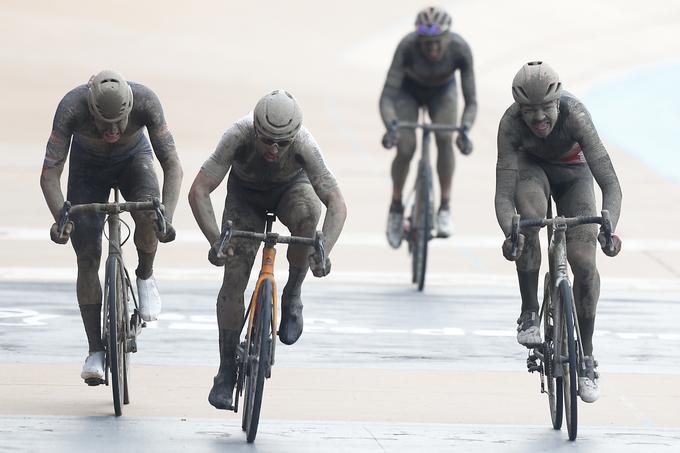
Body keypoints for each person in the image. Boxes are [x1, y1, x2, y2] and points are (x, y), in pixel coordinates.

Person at [188, 89, 347, 410]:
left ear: (293, 136)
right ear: (255, 131)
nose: (274, 150)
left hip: (291, 190)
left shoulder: (304, 144)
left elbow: (337, 203)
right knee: (234, 277)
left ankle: (292, 295)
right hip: (245, 196)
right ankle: (226, 370)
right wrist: (215, 240)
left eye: (282, 143)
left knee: (309, 215)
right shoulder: (238, 134)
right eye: (267, 141)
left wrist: (323, 249)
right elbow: (199, 190)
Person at [40, 69, 182, 384]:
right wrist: (60, 217)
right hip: (87, 168)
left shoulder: (146, 101)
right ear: (90, 110)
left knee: (148, 213)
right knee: (87, 255)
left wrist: (166, 216)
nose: (113, 129)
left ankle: (145, 275)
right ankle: (95, 350)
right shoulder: (71, 108)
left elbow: (172, 164)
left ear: (131, 108)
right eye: (104, 124)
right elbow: (50, 173)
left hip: (134, 161)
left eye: (120, 123)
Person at [495, 61, 622, 403]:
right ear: (518, 110)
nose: (538, 119)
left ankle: (587, 355)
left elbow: (610, 183)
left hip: (574, 173)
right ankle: (529, 313)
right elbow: (505, 194)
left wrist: (609, 226)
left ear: (558, 102)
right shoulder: (509, 125)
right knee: (530, 220)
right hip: (530, 170)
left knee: (583, 261)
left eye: (545, 109)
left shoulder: (576, 115)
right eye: (529, 111)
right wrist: (511, 231)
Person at [380, 5, 477, 247]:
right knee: (405, 147)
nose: (432, 48)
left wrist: (465, 128)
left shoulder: (460, 49)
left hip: (443, 93)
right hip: (408, 92)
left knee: (445, 139)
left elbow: (471, 101)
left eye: (437, 42)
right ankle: (395, 206)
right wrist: (392, 126)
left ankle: (444, 206)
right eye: (426, 43)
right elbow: (387, 97)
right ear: (418, 39)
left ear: (448, 37)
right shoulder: (407, 46)